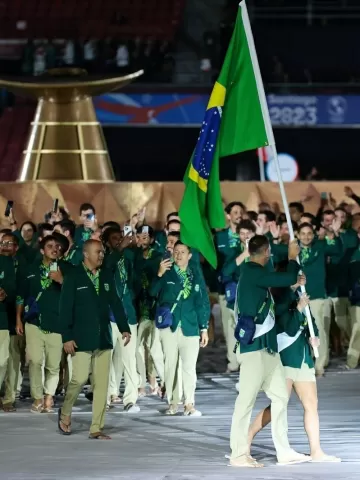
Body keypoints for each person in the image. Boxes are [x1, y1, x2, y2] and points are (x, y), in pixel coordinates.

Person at [229, 235, 310, 468]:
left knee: (281, 397)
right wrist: (293, 258)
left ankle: (283, 451)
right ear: (266, 252)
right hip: (254, 349)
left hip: (268, 350)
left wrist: (292, 280)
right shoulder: (252, 271)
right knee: (245, 402)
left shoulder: (256, 272)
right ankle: (238, 454)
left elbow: (282, 279)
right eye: (270, 253)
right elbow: (283, 276)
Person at [248, 270, 341, 463]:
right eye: (296, 276)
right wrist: (298, 308)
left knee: (311, 405)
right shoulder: (277, 299)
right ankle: (245, 440)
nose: (300, 280)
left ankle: (316, 451)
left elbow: (311, 322)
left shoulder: (300, 296)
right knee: (278, 405)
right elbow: (288, 327)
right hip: (286, 359)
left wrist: (313, 336)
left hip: (304, 359)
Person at [57, 240, 131, 439]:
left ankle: (96, 427)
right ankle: (65, 411)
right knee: (79, 378)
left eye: (103, 252)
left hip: (103, 338)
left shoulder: (106, 275)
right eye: (98, 252)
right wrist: (67, 336)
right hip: (80, 338)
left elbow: (115, 302)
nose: (101, 255)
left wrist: (124, 328)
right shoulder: (73, 276)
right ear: (85, 254)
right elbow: (64, 310)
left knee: (102, 384)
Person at [150, 241, 210, 416]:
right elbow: (153, 293)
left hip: (190, 327)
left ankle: (189, 403)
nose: (178, 255)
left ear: (189, 255)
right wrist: (159, 275)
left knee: (189, 367)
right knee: (170, 366)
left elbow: (202, 302)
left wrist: (204, 327)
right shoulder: (167, 273)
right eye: (176, 252)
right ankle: (173, 402)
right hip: (170, 327)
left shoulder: (195, 275)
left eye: (182, 252)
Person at [16, 236, 64, 413]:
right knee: (35, 361)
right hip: (34, 321)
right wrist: (18, 318)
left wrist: (61, 280)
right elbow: (21, 295)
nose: (55, 249)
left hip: (57, 323)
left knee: (53, 364)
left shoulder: (67, 270)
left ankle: (49, 396)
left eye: (58, 247)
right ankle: (37, 397)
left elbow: (74, 295)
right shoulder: (30, 270)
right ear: (42, 250)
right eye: (50, 246)